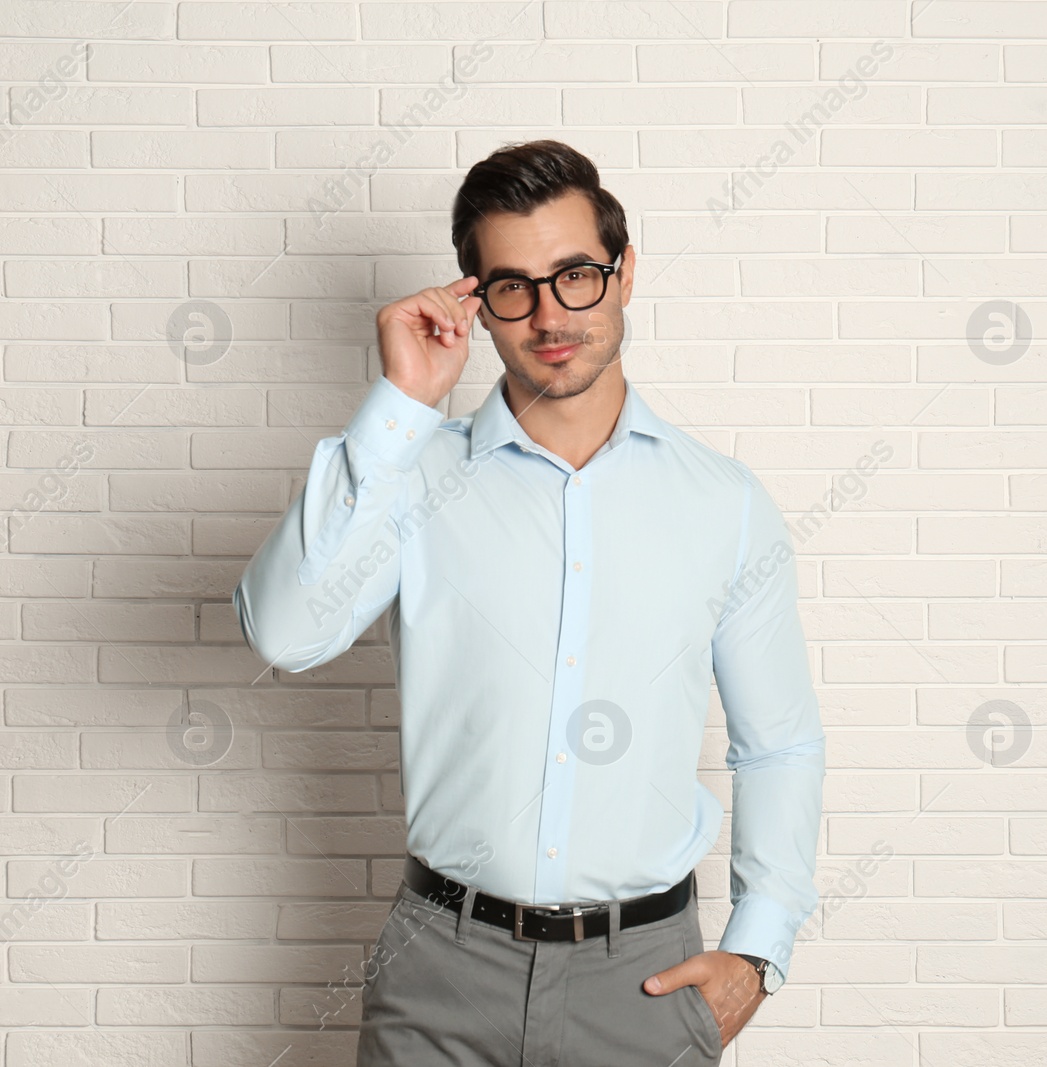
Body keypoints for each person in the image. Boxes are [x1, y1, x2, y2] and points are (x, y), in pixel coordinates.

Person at [232, 139, 826, 1066]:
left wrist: (759, 946)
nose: (549, 314)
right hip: (439, 969)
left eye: (575, 275)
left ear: (625, 273)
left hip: (642, 983)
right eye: (513, 286)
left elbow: (780, 741)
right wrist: (399, 404)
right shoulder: (411, 475)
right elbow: (285, 631)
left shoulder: (725, 504)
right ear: (476, 299)